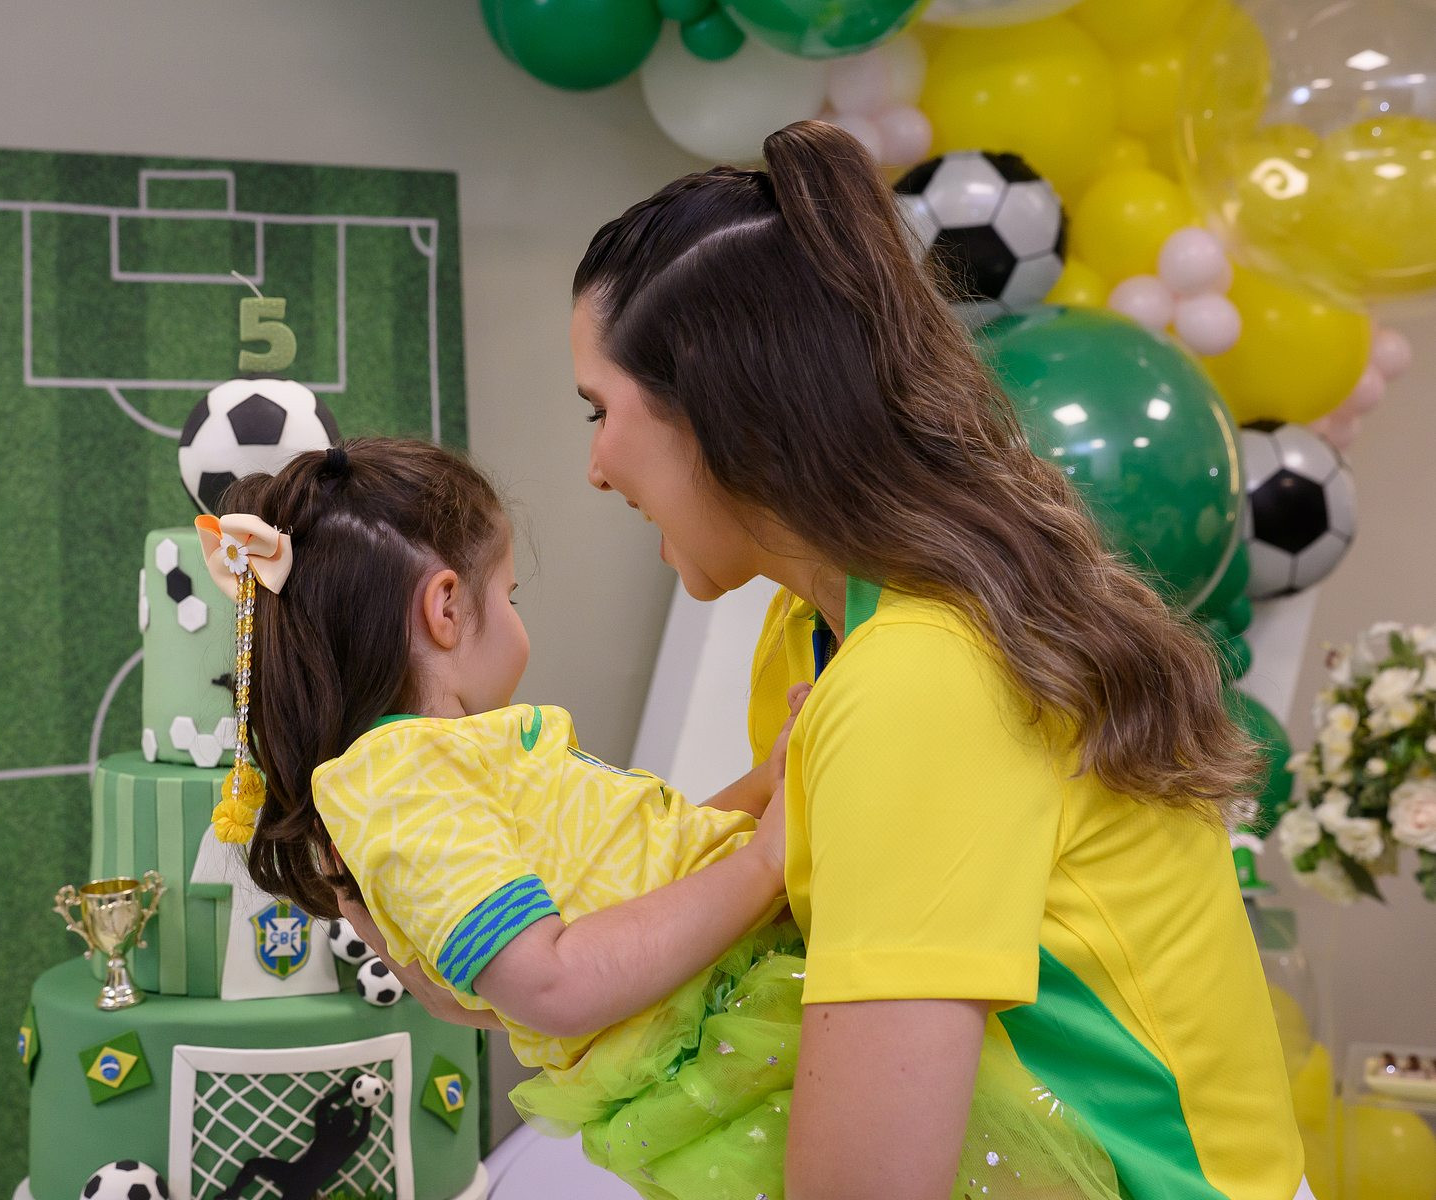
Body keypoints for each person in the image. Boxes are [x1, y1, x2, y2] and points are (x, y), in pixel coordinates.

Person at [567, 118, 1306, 1200]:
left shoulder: (917, 677)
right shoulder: (814, 633)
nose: (594, 467)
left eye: (600, 411)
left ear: (717, 408)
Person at [196, 437, 1122, 1200]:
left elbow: (639, 875)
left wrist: (763, 787)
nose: (516, 619)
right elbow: (553, 980)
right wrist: (763, 860)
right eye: (509, 596)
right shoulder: (396, 782)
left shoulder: (447, 767)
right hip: (722, 1058)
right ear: (445, 608)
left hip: (732, 1022)